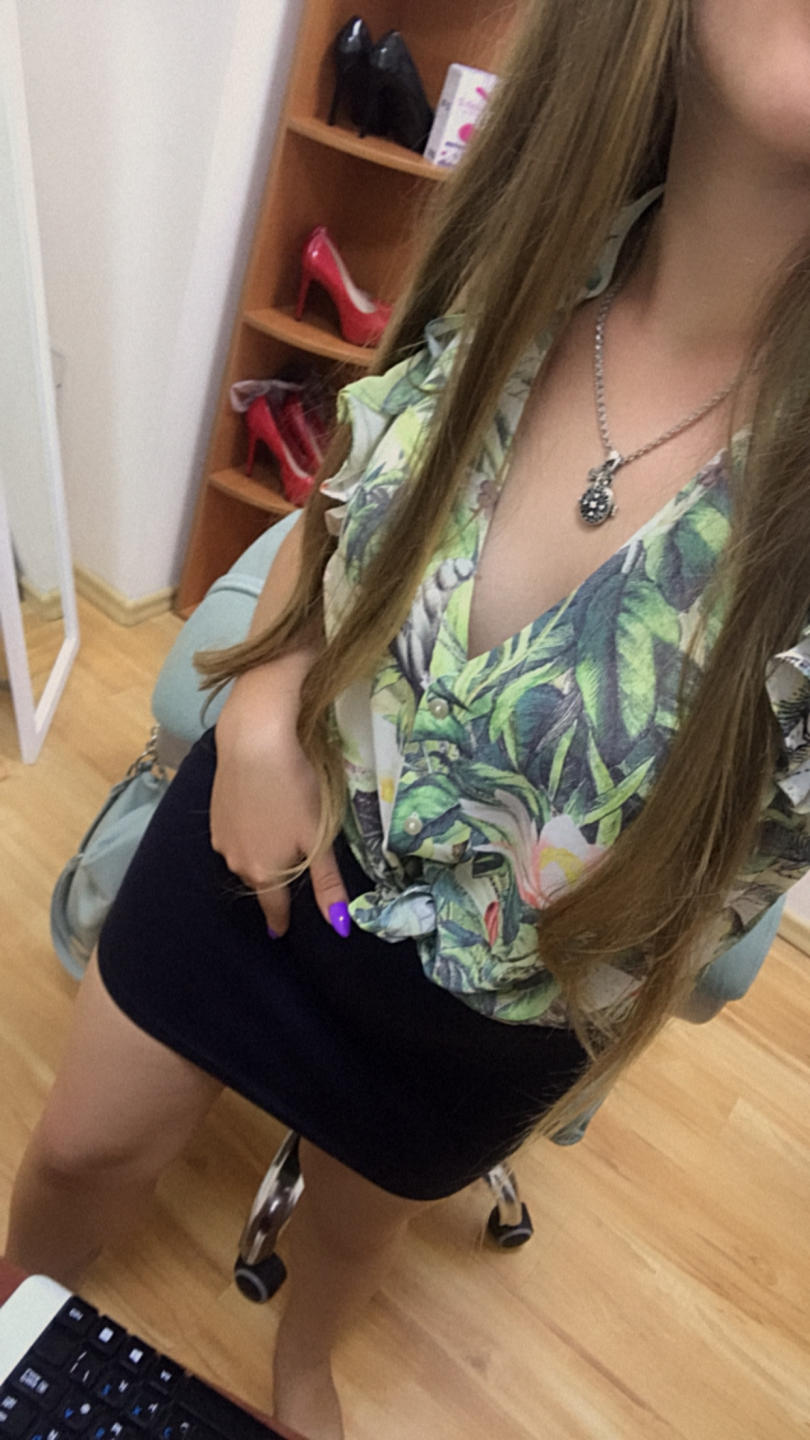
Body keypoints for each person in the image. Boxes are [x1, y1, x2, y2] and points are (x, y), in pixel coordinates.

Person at [8, 2, 810, 1436]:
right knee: (78, 1152)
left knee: (354, 1228)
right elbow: (359, 468)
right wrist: (262, 705)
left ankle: (304, 1365)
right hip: (267, 852)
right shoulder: (535, 237)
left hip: (493, 1007)